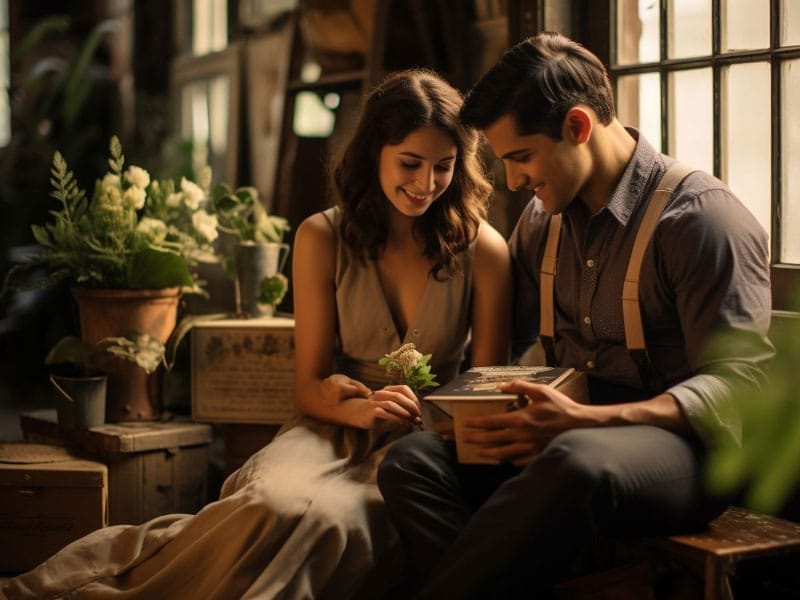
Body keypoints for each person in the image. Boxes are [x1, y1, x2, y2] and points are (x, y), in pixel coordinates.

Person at [2, 69, 512, 600]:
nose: (426, 183)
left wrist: (430, 421)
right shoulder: (323, 236)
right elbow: (308, 386)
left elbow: (483, 398)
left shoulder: (486, 252)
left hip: (424, 449)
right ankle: (104, 578)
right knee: (270, 504)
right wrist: (354, 409)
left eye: (444, 167)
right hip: (331, 426)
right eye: (410, 163)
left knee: (333, 524)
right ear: (374, 153)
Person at [377, 31, 775, 599]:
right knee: (412, 461)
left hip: (689, 452)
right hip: (569, 434)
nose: (513, 181)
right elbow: (515, 355)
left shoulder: (700, 220)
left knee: (574, 461)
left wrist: (587, 421)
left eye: (521, 157)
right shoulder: (541, 224)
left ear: (578, 127)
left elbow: (742, 386)